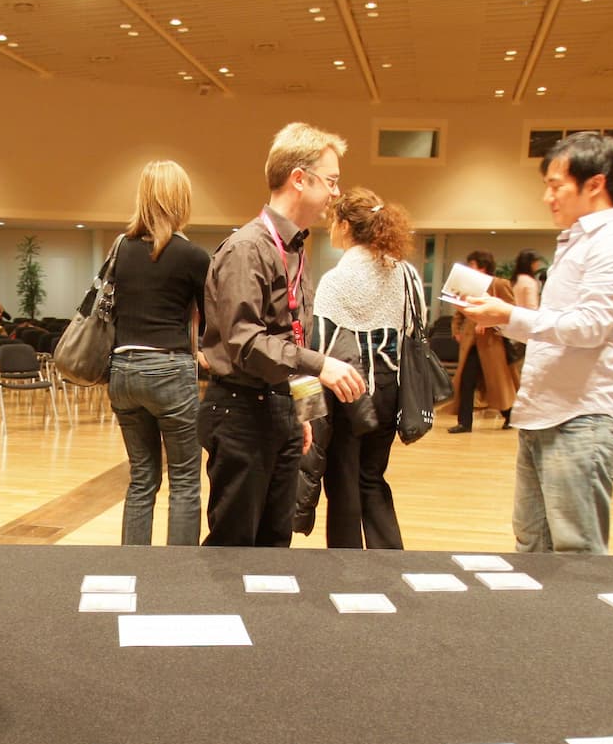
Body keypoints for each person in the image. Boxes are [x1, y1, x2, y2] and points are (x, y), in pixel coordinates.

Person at [461, 132, 613, 555]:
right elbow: (558, 327)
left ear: (595, 184)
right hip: (547, 413)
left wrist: (508, 315)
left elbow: (590, 327)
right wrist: (500, 319)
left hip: (583, 415)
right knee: (533, 543)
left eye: (555, 185)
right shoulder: (579, 242)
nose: (547, 196)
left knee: (575, 553)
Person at [199, 122, 365, 547]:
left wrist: (303, 410)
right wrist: (321, 367)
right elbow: (247, 342)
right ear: (298, 180)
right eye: (330, 181)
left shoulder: (293, 248)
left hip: (279, 411)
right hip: (241, 412)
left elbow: (291, 336)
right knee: (235, 548)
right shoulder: (247, 249)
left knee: (275, 544)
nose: (335, 193)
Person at [304, 189, 418, 549]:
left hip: (349, 391)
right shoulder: (408, 274)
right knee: (371, 477)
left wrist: (304, 409)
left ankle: (347, 565)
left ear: (344, 225)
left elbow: (318, 346)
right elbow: (416, 329)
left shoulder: (338, 280)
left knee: (342, 483)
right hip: (391, 388)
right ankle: (390, 559)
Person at [106, 160, 210, 546]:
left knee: (142, 477)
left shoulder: (121, 249)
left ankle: (133, 568)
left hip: (122, 370)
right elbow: (211, 322)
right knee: (184, 478)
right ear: (181, 199)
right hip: (169, 370)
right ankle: (176, 574)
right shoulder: (194, 257)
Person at [448, 250, 518, 433]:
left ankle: (509, 415)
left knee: (497, 382)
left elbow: (510, 311)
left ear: (483, 266)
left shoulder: (500, 284)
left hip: (492, 345)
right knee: (466, 382)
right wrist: (457, 331)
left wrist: (491, 324)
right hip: (471, 343)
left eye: (472, 265)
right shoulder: (470, 286)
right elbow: (459, 312)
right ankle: (465, 422)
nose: (469, 269)